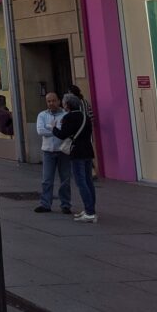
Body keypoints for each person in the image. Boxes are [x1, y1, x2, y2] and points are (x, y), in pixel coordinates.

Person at [53, 93, 96, 222]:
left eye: (64, 103)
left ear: (67, 105)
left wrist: (53, 128)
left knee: (81, 182)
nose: (63, 105)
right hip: (88, 150)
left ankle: (90, 213)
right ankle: (90, 209)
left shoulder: (68, 117)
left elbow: (62, 134)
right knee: (88, 181)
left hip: (77, 152)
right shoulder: (85, 116)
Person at [34, 93, 71, 214]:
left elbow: (66, 132)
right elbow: (40, 131)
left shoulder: (65, 115)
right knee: (46, 180)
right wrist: (56, 130)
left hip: (63, 151)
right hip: (48, 151)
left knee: (65, 180)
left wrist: (50, 128)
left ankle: (65, 205)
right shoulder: (42, 115)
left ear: (59, 101)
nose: (51, 103)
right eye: (49, 101)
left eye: (53, 101)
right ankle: (45, 204)